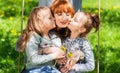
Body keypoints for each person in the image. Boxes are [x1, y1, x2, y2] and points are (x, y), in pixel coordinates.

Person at [15, 6, 65, 73]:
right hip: (35, 70)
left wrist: (60, 59)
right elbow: (34, 60)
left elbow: (58, 55)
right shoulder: (33, 36)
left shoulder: (54, 37)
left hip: (49, 69)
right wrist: (54, 55)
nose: (54, 19)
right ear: (40, 22)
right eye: (50, 18)